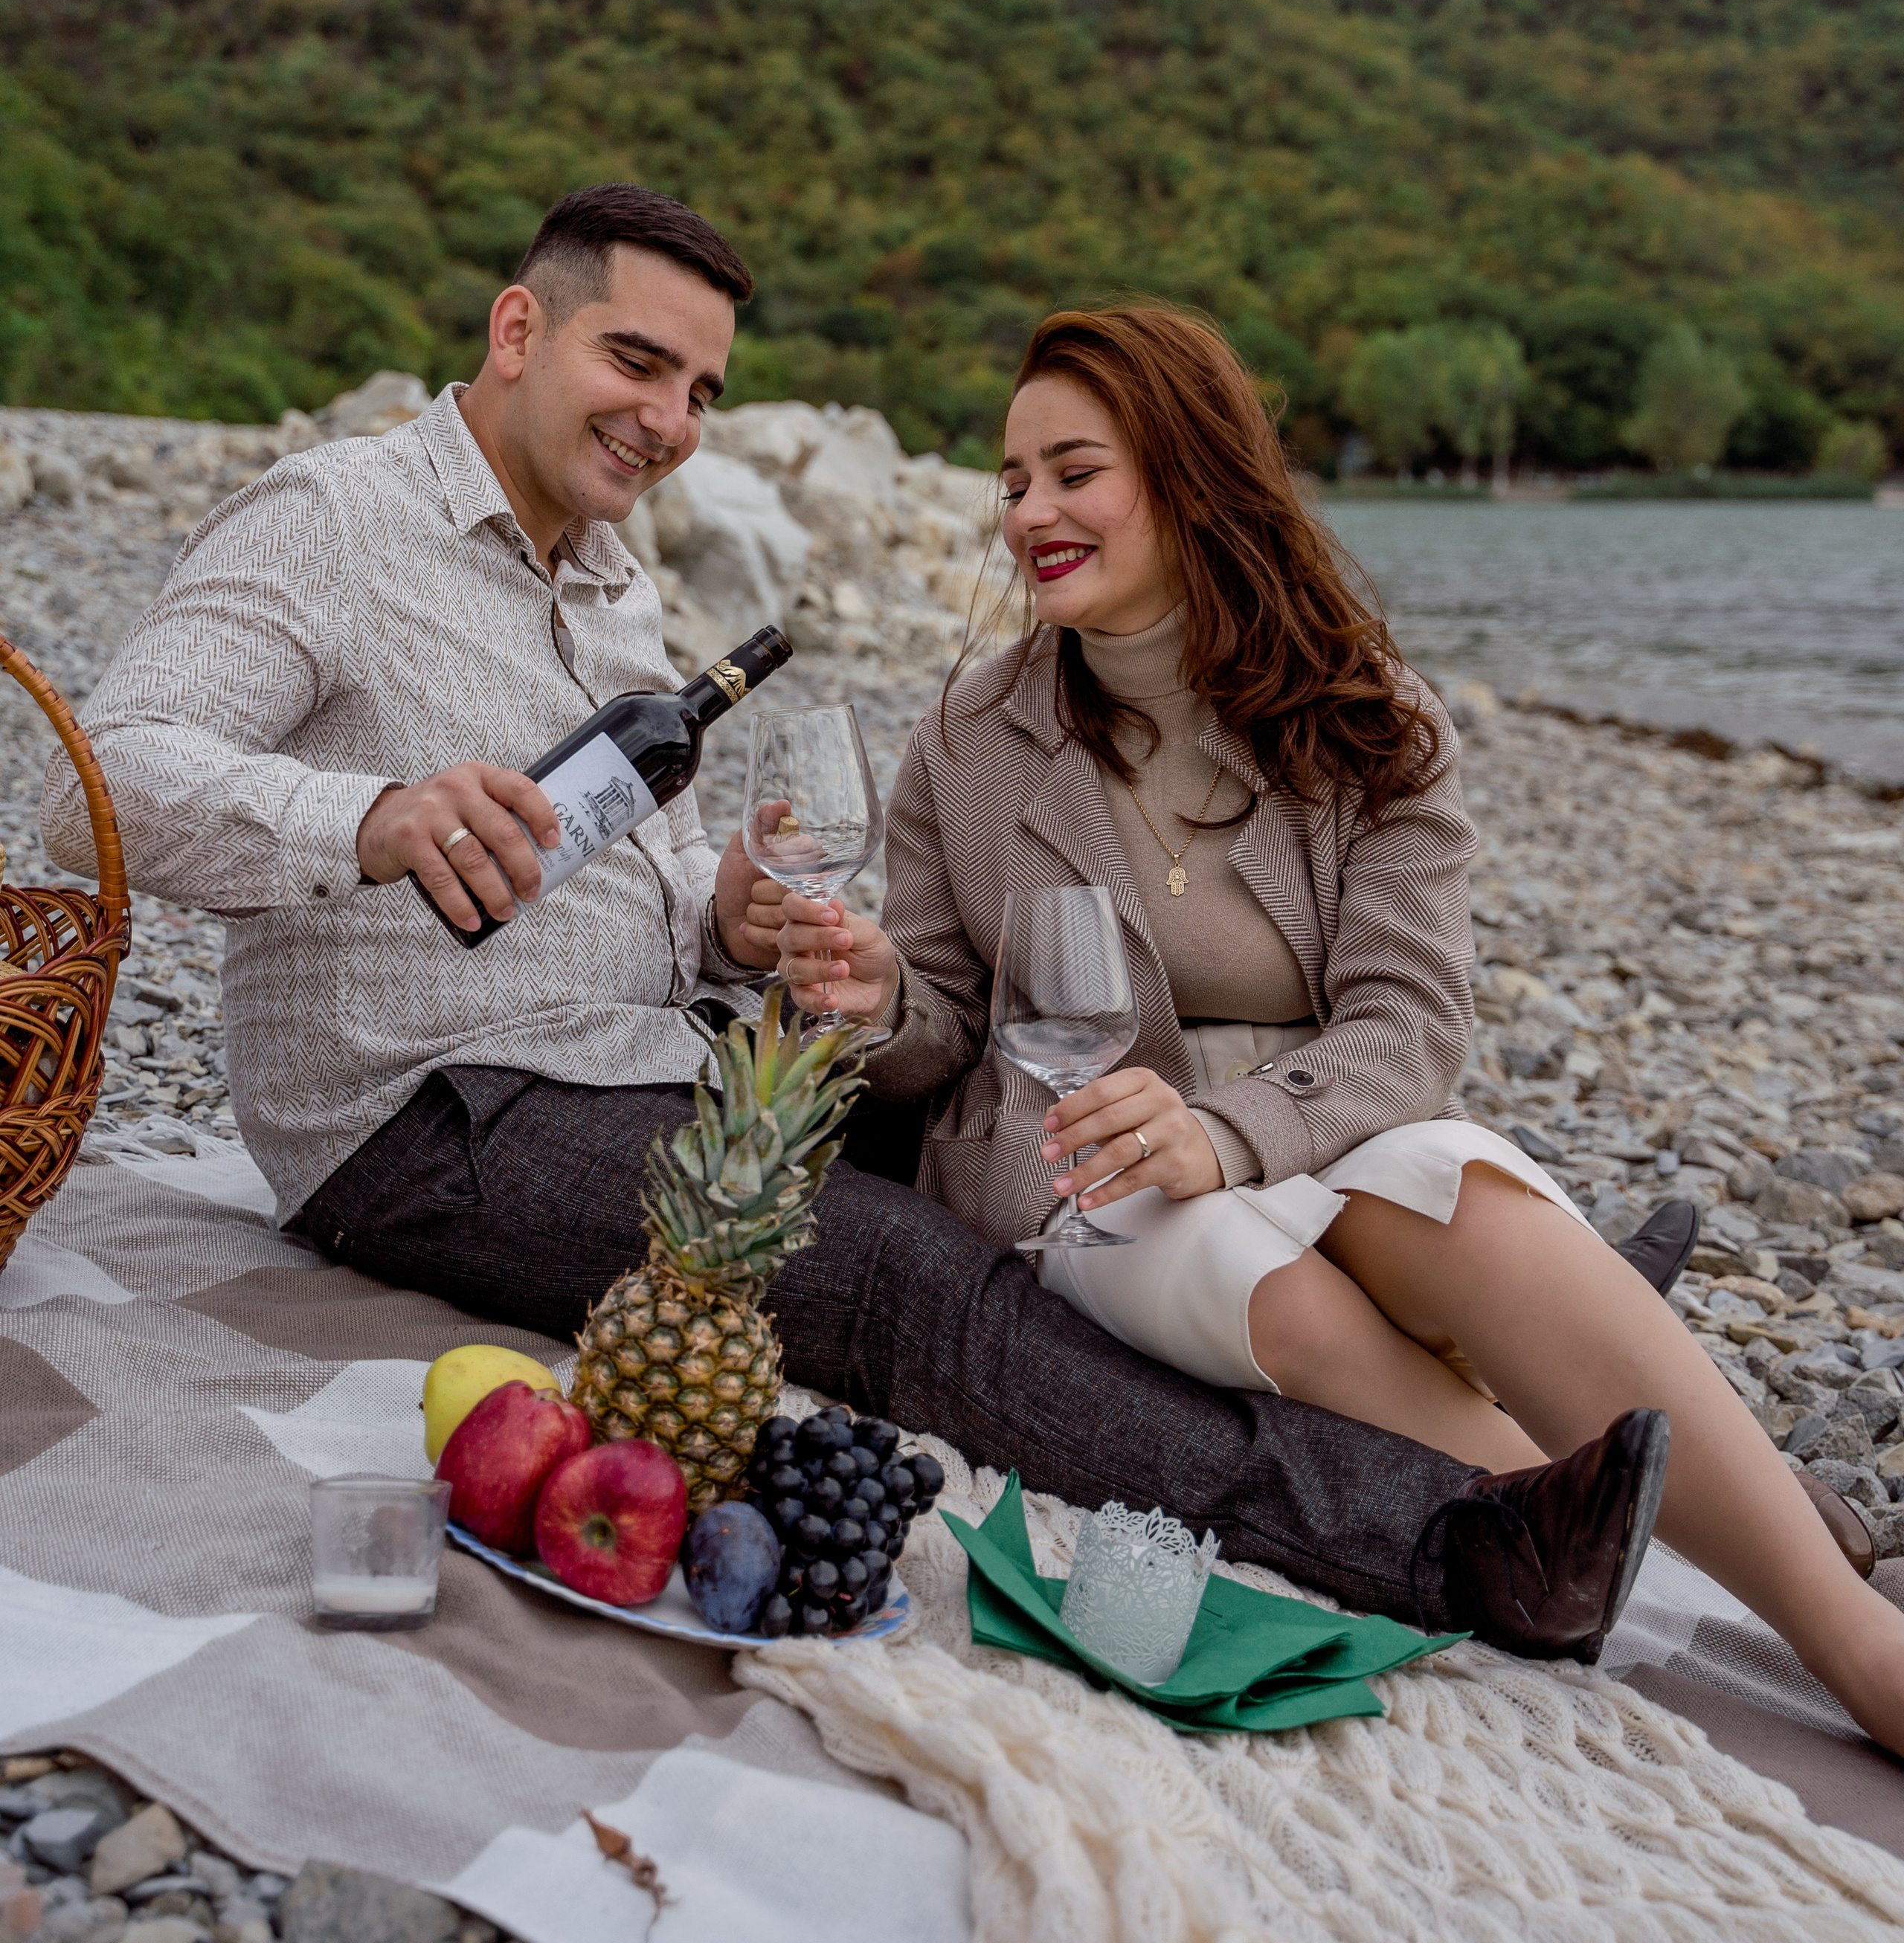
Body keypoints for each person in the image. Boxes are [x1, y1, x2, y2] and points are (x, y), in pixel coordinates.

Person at [48, 189, 1665, 1663]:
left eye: (700, 391)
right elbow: (97, 783)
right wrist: (374, 817)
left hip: (644, 1063)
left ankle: (1488, 1352)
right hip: (428, 1110)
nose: (670, 420)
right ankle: (1456, 1541)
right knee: (902, 1281)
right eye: (638, 360)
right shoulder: (329, 521)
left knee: (992, 1146)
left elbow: (650, 886)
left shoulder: (608, 581)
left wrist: (730, 911)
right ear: (516, 328)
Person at [767, 301, 1904, 1752]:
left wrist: (1228, 1132)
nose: (1027, 513)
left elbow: (1406, 1030)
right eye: (1010, 481)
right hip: (1083, 1166)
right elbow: (941, 1042)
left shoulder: (1372, 724)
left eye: (1072, 471)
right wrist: (877, 1004)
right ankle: (1698, 1567)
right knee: (1280, 1291)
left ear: (1185, 475)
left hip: (1318, 1128)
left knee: (1468, 1200)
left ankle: (1852, 1635)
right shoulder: (966, 741)